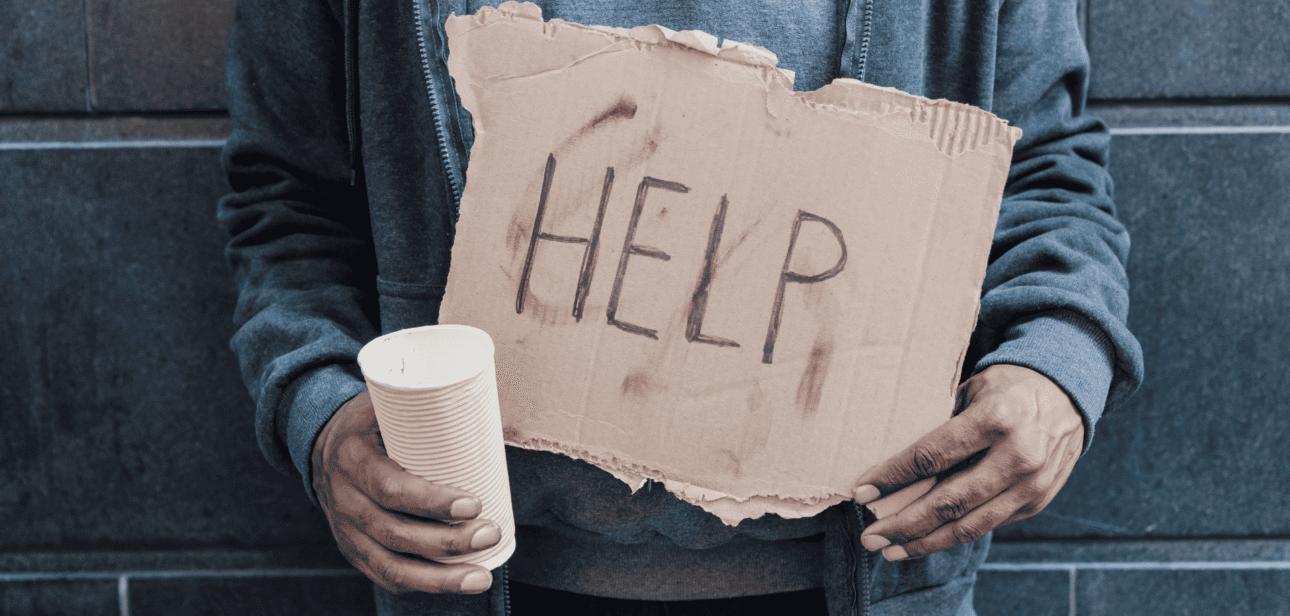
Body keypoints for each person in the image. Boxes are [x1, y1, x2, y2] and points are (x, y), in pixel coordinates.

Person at [219, 0, 1143, 614]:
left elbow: (1043, 174)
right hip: (488, 581)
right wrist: (321, 413)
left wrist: (1057, 365)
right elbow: (290, 198)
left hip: (866, 579)